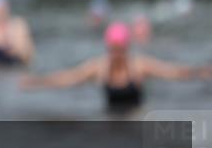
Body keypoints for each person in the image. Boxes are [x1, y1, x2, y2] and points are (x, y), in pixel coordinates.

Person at [20, 21, 212, 114]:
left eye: (120, 50)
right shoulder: (99, 67)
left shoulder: (139, 65)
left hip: (136, 116)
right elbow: (69, 78)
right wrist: (39, 81)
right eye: (113, 50)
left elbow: (172, 72)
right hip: (111, 118)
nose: (116, 55)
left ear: (127, 48)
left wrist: (200, 71)